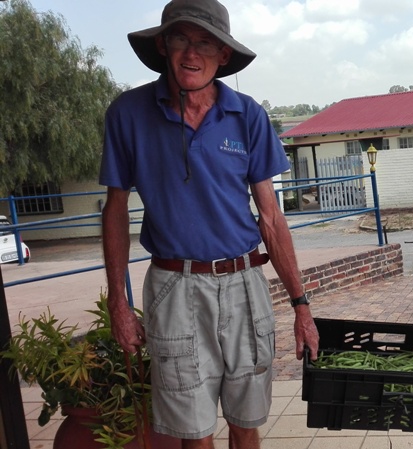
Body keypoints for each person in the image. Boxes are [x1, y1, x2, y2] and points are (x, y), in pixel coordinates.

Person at [99, 1, 319, 447]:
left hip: (244, 283)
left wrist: (301, 305)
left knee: (246, 420)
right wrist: (118, 304)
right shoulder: (128, 113)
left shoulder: (247, 115)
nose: (191, 53)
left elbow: (271, 218)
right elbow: (115, 209)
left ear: (223, 54)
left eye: (205, 42)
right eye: (180, 38)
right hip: (174, 286)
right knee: (193, 429)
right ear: (163, 45)